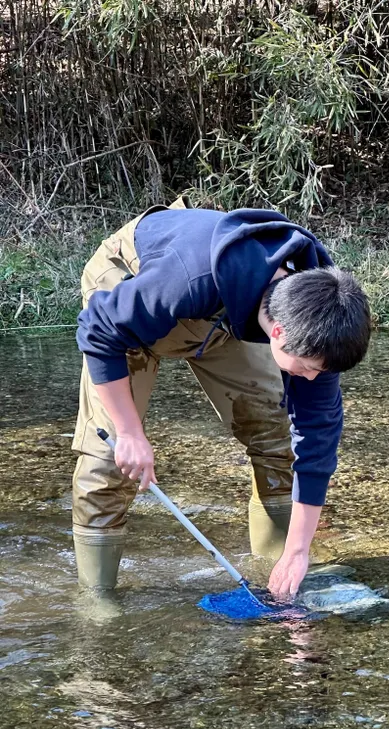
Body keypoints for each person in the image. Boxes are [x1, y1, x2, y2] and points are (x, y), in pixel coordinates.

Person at [71, 195, 371, 600]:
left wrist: (301, 550)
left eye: (320, 369)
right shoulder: (185, 280)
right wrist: (128, 432)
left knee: (273, 430)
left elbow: (316, 441)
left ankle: (278, 570)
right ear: (278, 333)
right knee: (109, 458)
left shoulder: (318, 316)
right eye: (307, 366)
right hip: (131, 286)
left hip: (224, 315)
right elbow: (98, 330)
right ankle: (96, 596)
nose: (312, 378)